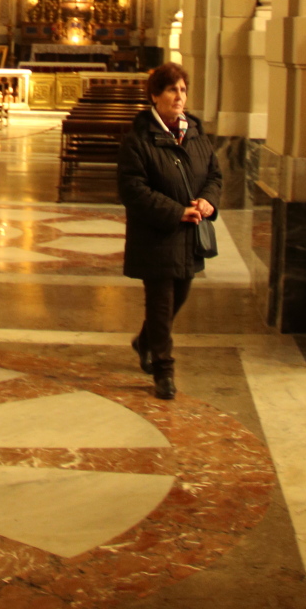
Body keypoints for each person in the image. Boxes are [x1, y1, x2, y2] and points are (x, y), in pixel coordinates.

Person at [117, 62, 221, 401]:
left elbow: (214, 175)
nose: (180, 96)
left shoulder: (195, 132)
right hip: (157, 236)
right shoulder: (139, 139)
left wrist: (207, 201)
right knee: (161, 304)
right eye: (173, 90)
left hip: (190, 237)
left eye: (183, 90)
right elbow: (133, 190)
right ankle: (164, 369)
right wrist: (177, 212)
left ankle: (145, 341)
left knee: (180, 297)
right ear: (155, 95)